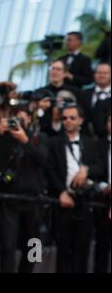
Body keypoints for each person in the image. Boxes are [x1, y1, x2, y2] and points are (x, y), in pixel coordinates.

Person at [0, 106, 48, 273]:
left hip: (34, 201)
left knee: (33, 247)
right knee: (8, 245)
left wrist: (26, 141)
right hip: (9, 200)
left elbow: (43, 160)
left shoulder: (40, 137)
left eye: (22, 120)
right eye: (15, 120)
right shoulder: (6, 138)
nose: (18, 124)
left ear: (30, 119)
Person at [47, 104, 103, 273]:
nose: (68, 121)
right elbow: (50, 170)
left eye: (72, 118)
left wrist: (86, 170)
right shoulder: (54, 142)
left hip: (85, 203)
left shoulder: (91, 143)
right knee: (63, 249)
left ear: (81, 120)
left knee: (83, 249)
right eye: (64, 118)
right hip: (63, 201)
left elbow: (100, 167)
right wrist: (61, 192)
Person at [93, 111, 111, 273]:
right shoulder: (98, 144)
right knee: (102, 246)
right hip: (102, 201)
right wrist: (104, 186)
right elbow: (94, 170)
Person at [80, 63, 111, 137]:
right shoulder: (84, 94)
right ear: (94, 75)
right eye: (99, 73)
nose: (102, 75)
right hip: (87, 138)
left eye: (105, 73)